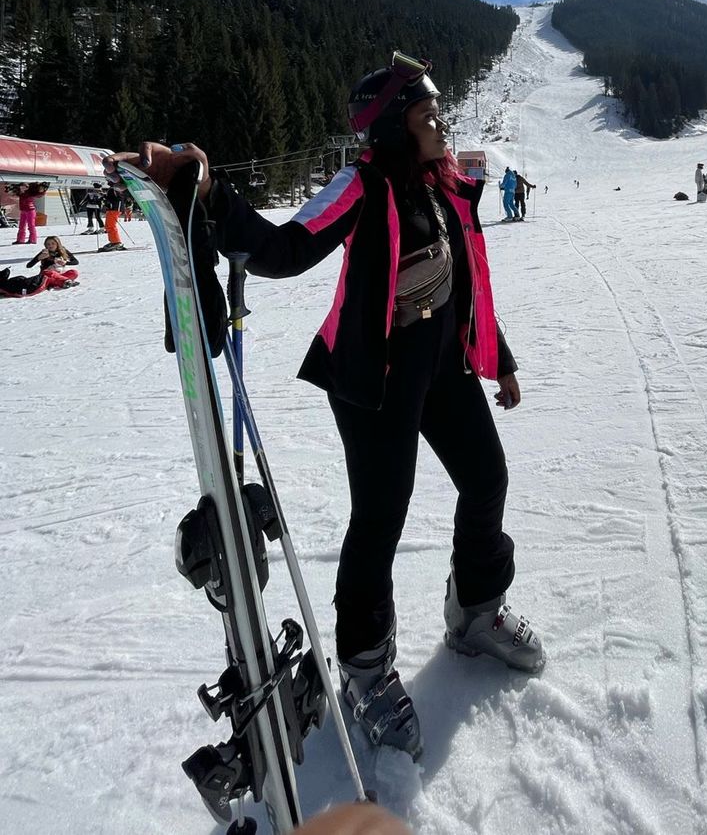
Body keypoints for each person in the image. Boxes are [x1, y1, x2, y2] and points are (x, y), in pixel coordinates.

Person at [106, 51, 543, 763]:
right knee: (379, 520)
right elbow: (282, 249)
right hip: (375, 383)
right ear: (392, 127)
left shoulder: (447, 187)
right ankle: (366, 670)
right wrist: (211, 194)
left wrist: (502, 358)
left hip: (445, 372)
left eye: (438, 110)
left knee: (487, 479)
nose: (440, 122)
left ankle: (476, 611)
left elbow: (468, 284)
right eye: (426, 113)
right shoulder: (363, 185)